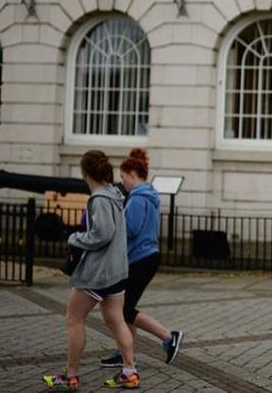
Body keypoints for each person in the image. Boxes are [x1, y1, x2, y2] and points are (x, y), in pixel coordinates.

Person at [43, 150, 140, 390]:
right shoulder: (116, 194)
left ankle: (71, 376)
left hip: (97, 273)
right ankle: (129, 371)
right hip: (117, 270)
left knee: (74, 319)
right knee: (116, 320)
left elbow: (102, 234)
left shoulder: (98, 198)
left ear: (85, 173)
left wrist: (76, 238)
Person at [101, 148, 184, 368]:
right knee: (126, 308)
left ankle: (168, 337)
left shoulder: (137, 198)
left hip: (140, 258)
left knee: (124, 309)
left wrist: (112, 227)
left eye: (123, 177)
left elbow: (131, 228)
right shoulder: (148, 194)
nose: (122, 182)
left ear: (131, 175)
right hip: (146, 257)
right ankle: (124, 351)